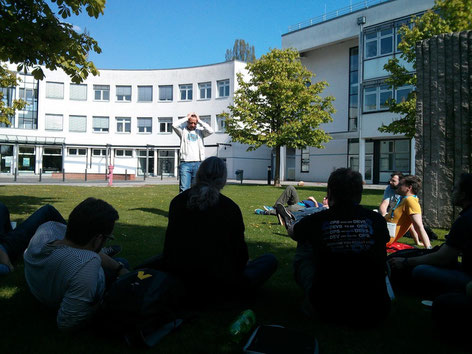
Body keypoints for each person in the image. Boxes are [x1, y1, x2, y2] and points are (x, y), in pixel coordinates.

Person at [162, 156, 277, 303]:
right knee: (269, 260)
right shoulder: (230, 207)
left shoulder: (178, 202)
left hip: (182, 278)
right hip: (221, 283)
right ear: (222, 179)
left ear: (199, 174)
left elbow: (169, 247)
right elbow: (240, 255)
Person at [291, 168, 391, 326]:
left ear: (330, 193)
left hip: (327, 309)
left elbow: (294, 232)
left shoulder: (316, 220)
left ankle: (313, 300)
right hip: (375, 310)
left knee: (304, 242)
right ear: (359, 194)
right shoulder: (376, 220)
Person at [24, 198, 128, 331]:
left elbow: (84, 247)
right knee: (125, 265)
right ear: (98, 239)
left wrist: (118, 268)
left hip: (45, 284)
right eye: (107, 238)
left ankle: (116, 264)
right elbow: (67, 323)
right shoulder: (86, 263)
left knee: (120, 265)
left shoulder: (48, 228)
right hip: (67, 293)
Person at [389, 173, 472, 297]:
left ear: (464, 194)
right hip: (466, 269)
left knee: (420, 270)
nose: (451, 191)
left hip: (468, 277)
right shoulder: (467, 216)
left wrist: (406, 261)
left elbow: (443, 257)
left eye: (455, 188)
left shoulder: (465, 220)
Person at [0, 202, 66, 274]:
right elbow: (5, 268)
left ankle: (12, 241)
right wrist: (8, 264)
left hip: (4, 244)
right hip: (4, 249)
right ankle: (76, 242)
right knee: (48, 211)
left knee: (1, 207)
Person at [384, 175, 431, 248]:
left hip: (382, 239)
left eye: (401, 184)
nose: (398, 186)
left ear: (409, 188)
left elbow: (418, 226)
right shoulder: (404, 199)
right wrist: (417, 241)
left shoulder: (411, 201)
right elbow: (411, 225)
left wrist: (428, 247)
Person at [173, 112, 214, 193]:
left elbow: (211, 131)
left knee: (197, 189)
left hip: (198, 164)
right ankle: (182, 206)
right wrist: (186, 117)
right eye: (191, 122)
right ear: (187, 122)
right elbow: (174, 125)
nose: (193, 125)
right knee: (184, 189)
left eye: (195, 123)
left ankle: (194, 206)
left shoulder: (201, 132)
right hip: (185, 164)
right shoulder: (182, 132)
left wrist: (199, 120)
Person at [254, 185, 328, 225]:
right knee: (291, 188)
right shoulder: (321, 203)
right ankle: (275, 207)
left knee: (287, 210)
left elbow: (316, 212)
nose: (324, 198)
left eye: (326, 198)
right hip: (299, 202)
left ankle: (265, 212)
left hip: (302, 208)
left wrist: (314, 201)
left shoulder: (325, 207)